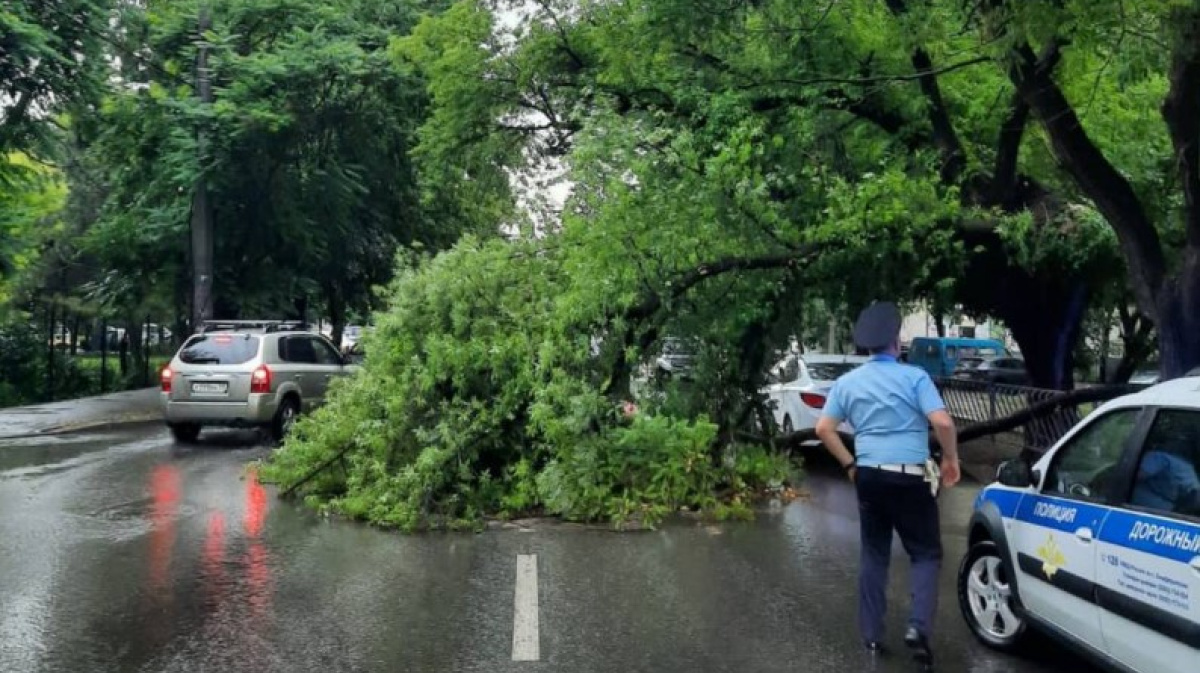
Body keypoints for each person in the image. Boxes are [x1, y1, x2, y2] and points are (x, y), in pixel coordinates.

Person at [814, 301, 960, 668]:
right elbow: (942, 423)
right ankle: (918, 629)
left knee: (874, 554)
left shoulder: (847, 383)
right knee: (925, 553)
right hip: (911, 477)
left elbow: (823, 429)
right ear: (896, 341)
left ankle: (872, 637)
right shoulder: (914, 377)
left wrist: (850, 464)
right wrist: (950, 459)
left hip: (870, 476)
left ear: (866, 346)